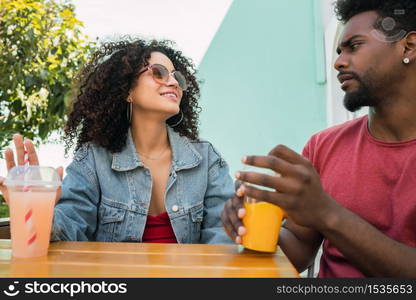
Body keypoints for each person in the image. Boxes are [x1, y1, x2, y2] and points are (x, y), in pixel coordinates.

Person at [221, 0, 416, 277]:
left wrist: (327, 213)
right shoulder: (324, 146)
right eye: (338, 51)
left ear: (408, 47)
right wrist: (252, 227)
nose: (338, 62)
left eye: (354, 46)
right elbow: (300, 250)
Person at [0, 38, 234, 244]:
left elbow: (223, 236)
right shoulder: (93, 160)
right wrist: (35, 209)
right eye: (159, 72)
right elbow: (70, 227)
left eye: (177, 77)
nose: (173, 83)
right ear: (127, 91)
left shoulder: (206, 159)